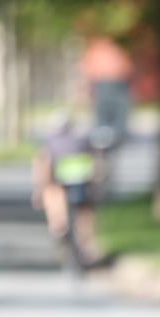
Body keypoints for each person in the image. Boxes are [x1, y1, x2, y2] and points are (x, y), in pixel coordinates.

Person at [32, 112, 104, 270]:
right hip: (82, 185)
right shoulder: (83, 140)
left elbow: (44, 167)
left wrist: (39, 191)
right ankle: (85, 244)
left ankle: (59, 230)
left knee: (53, 198)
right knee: (85, 213)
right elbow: (96, 163)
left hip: (61, 184)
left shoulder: (50, 143)